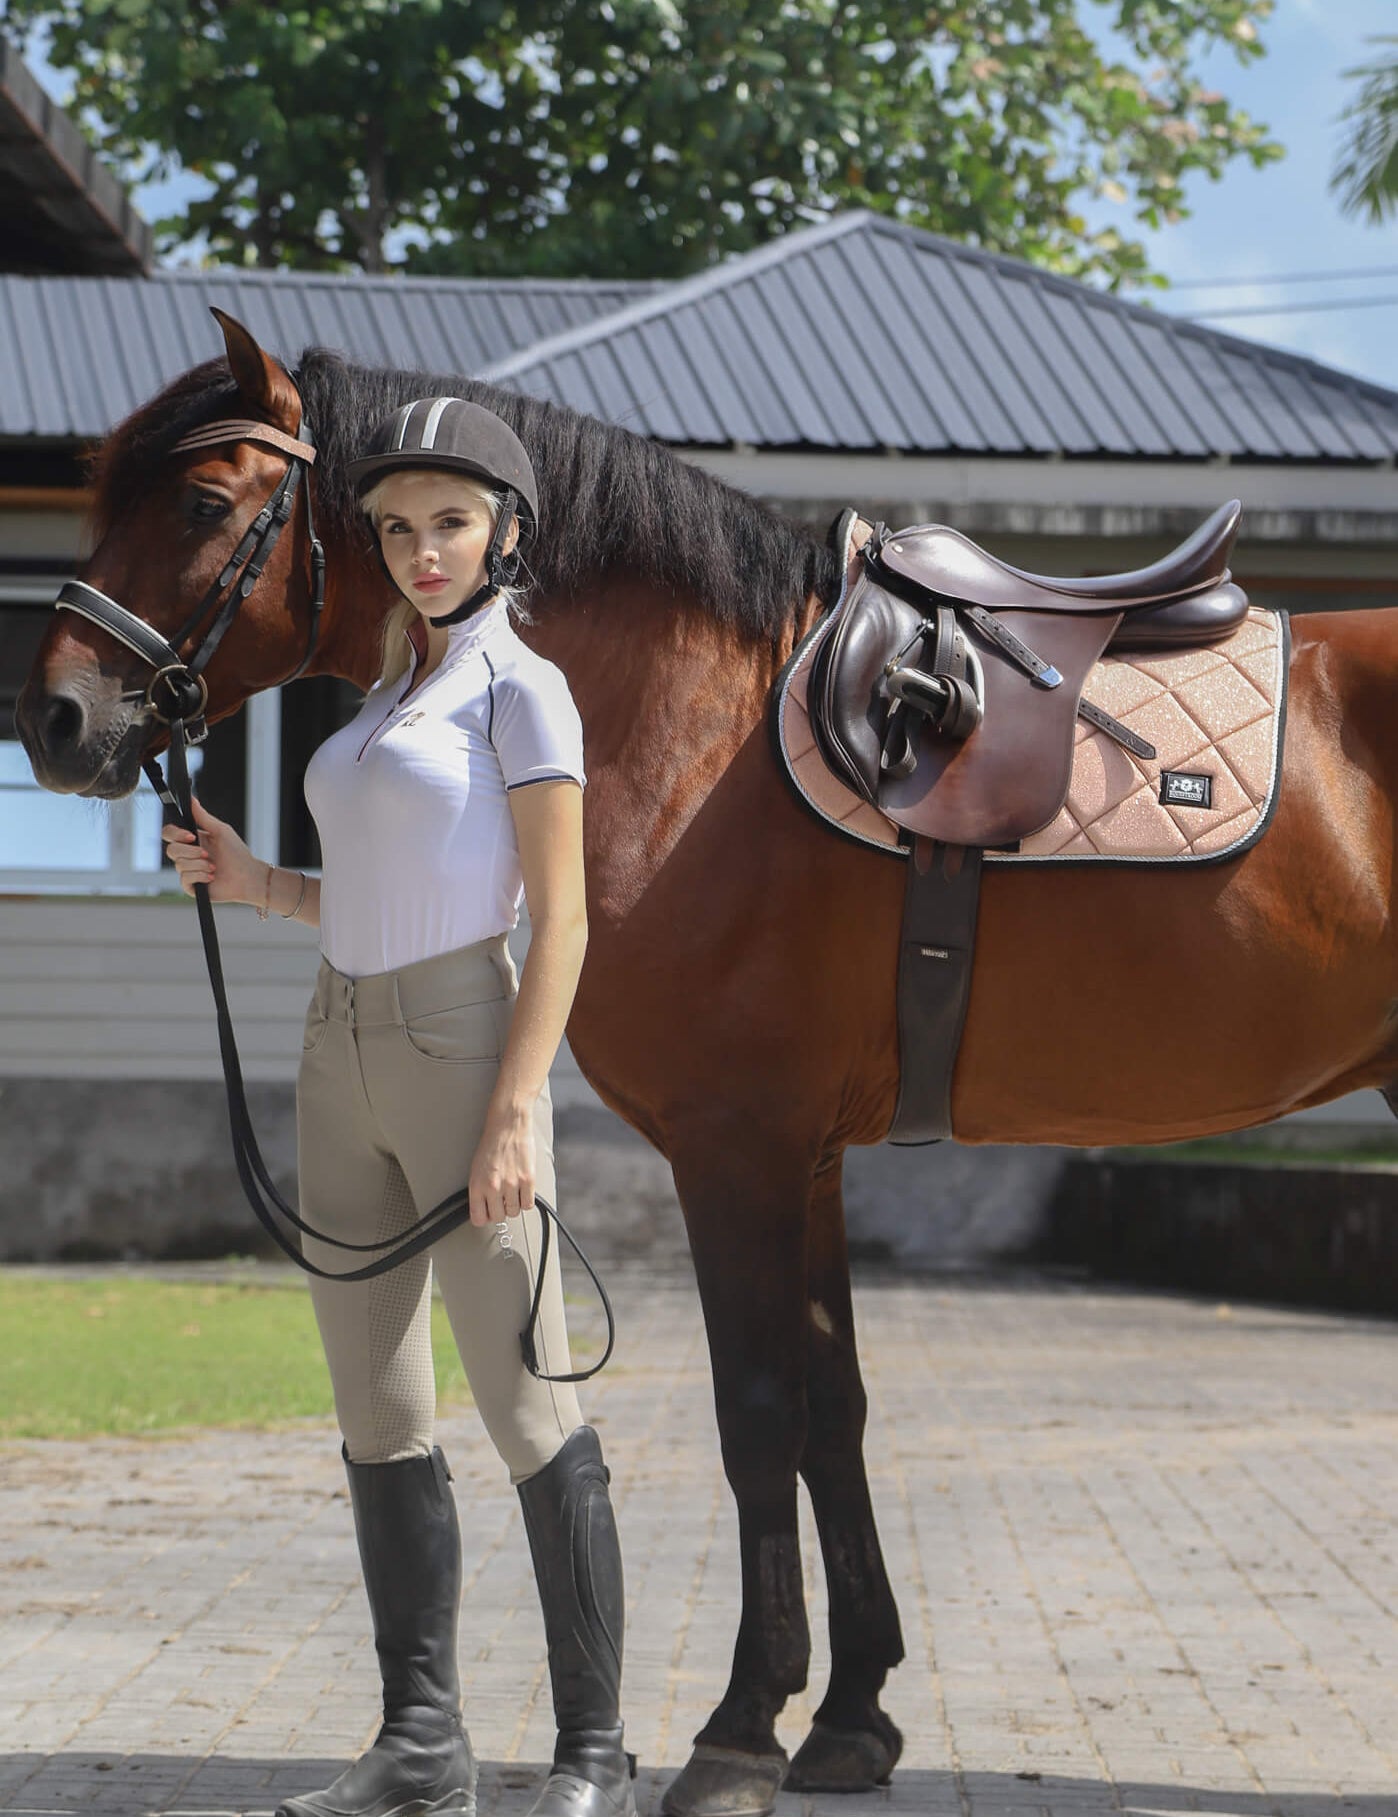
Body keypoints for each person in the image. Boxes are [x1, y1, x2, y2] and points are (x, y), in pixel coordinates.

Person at [163, 396, 633, 1817]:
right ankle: (421, 1744)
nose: (421, 550)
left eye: (450, 522)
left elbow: (557, 923)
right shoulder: (382, 701)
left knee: (526, 1405)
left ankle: (592, 1755)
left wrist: (512, 1111)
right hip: (339, 1042)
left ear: (503, 531)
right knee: (377, 1410)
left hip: (458, 1044)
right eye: (397, 528)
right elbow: (357, 896)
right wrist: (255, 884)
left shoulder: (520, 690)